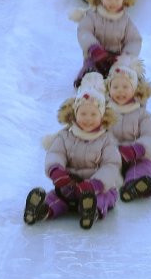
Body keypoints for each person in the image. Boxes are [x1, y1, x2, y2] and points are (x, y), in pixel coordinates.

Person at [22, 72, 121, 230]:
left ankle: (91, 209)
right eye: (83, 113)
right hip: (69, 186)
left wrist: (96, 184)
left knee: (106, 198)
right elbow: (55, 153)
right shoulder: (65, 135)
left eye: (93, 114)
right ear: (75, 114)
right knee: (56, 198)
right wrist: (56, 171)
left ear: (102, 117)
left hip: (97, 189)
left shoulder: (106, 140)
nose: (87, 118)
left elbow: (111, 165)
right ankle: (42, 210)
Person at [70, 0, 142, 86]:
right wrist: (93, 48)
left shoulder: (125, 20)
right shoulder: (93, 16)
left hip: (116, 58)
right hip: (96, 56)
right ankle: (90, 85)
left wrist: (126, 56)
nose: (112, 2)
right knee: (92, 73)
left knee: (124, 75)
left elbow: (134, 39)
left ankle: (122, 90)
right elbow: (84, 31)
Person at [105, 56, 151, 202]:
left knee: (144, 167)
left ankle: (137, 184)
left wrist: (138, 148)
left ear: (135, 89)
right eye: (115, 87)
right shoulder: (105, 113)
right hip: (113, 158)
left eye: (125, 87)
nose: (120, 91)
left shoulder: (142, 114)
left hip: (137, 156)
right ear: (108, 89)